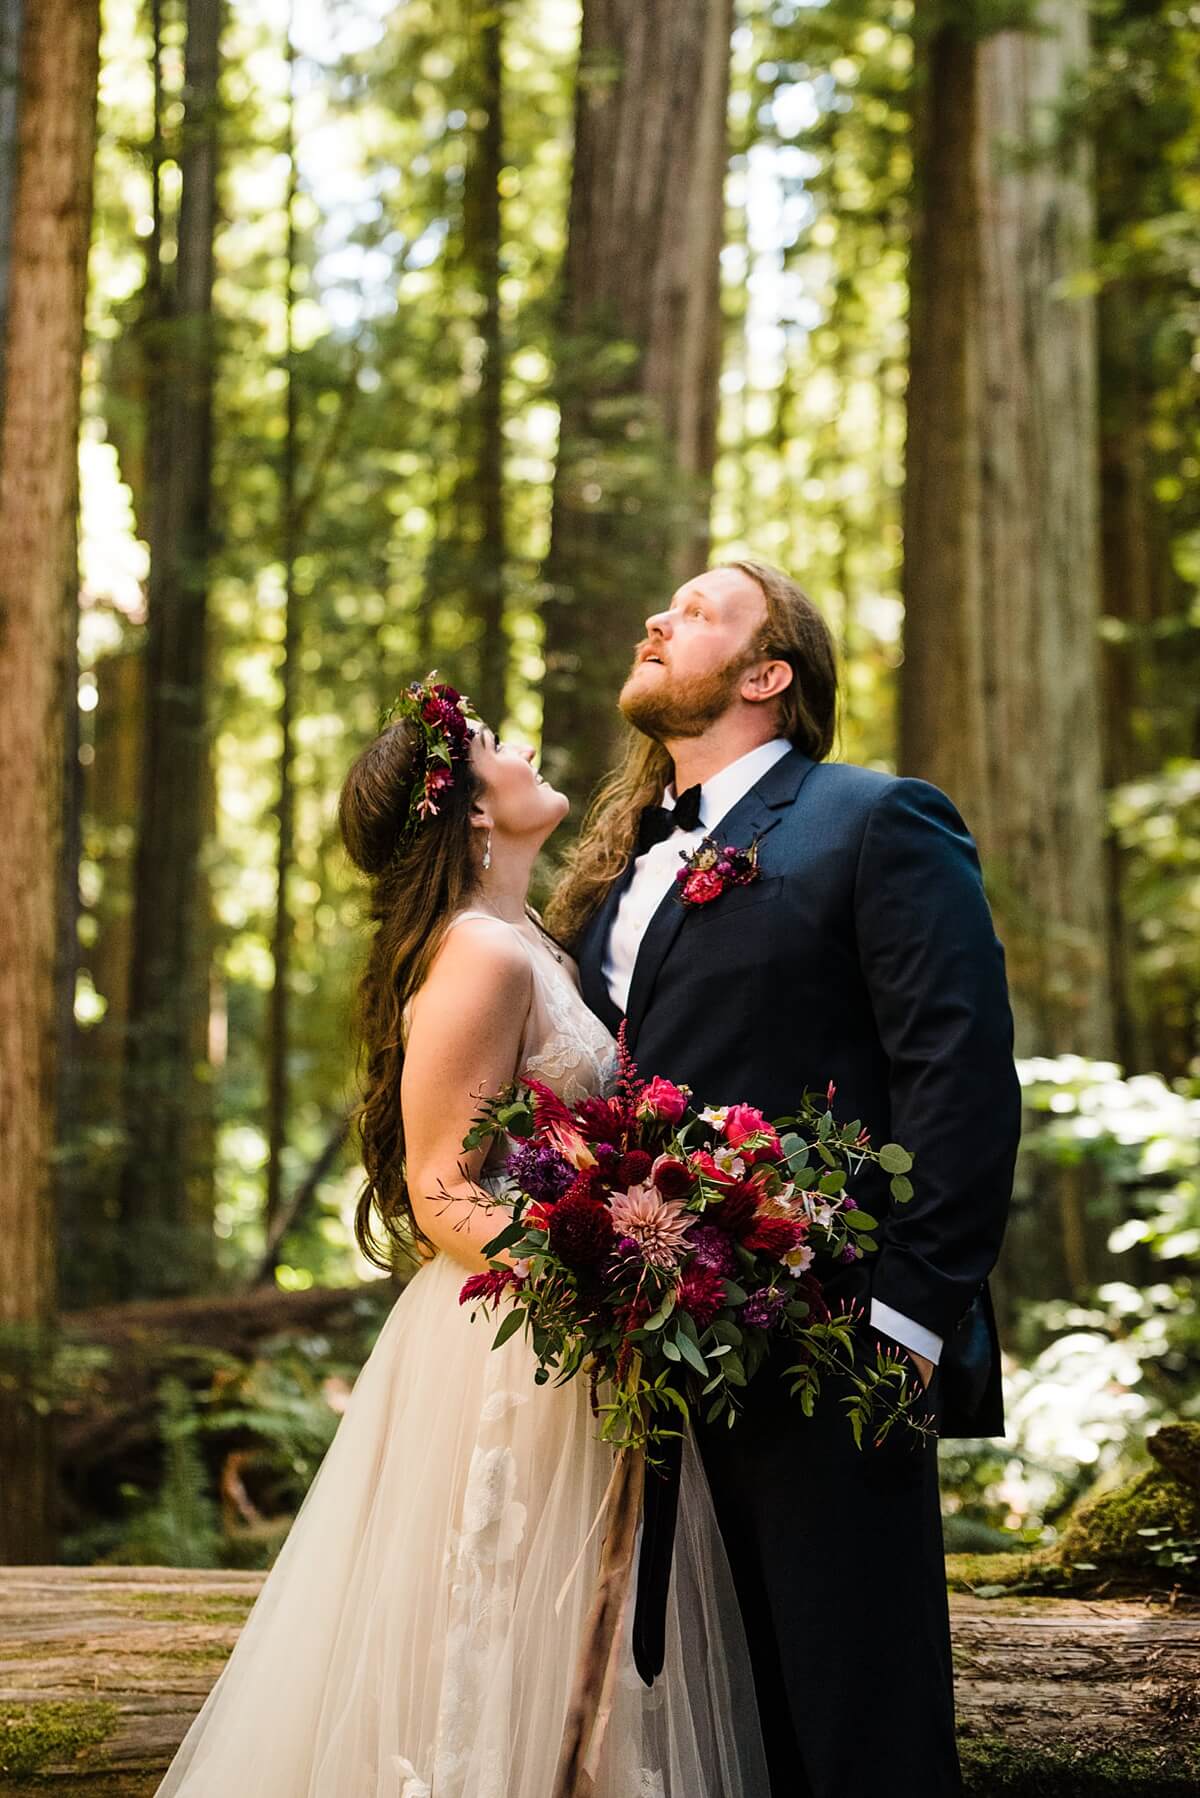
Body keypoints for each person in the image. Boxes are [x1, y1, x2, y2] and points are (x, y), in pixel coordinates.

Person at [153, 678, 768, 1798]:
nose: (524, 742)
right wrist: (600, 1274)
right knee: (491, 1650)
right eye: (492, 743)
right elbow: (441, 1190)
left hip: (559, 1329)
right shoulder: (478, 954)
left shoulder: (524, 937)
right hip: (513, 1343)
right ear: (472, 811)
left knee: (575, 1646)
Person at [552, 558, 1023, 1798]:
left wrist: (906, 1326)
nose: (658, 617)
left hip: (833, 1364)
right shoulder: (609, 875)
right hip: (646, 1376)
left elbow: (960, 1079)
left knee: (857, 1731)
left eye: (698, 611)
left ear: (767, 676)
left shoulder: (874, 821)